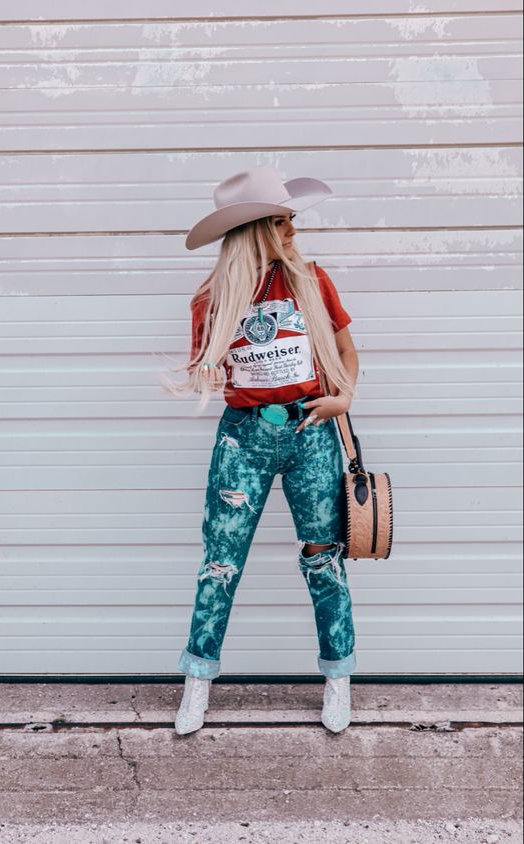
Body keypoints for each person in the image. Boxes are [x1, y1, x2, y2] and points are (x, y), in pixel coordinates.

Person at [161, 165, 359, 736]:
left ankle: (338, 678)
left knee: (324, 560)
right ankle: (197, 682)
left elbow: (348, 352)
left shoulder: (312, 281)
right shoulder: (211, 299)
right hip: (243, 436)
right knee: (220, 564)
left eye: (292, 220)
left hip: (310, 432)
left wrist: (343, 398)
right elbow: (209, 370)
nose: (293, 231)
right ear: (257, 231)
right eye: (282, 222)